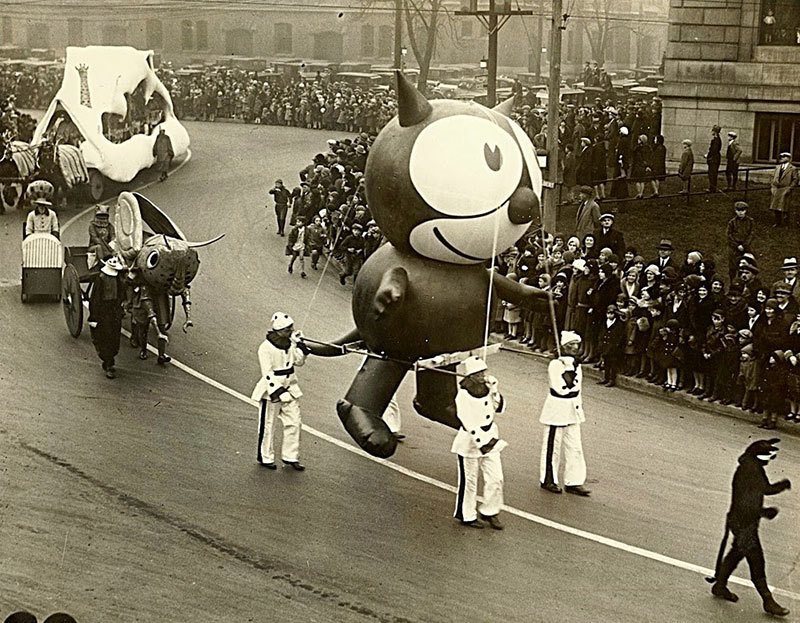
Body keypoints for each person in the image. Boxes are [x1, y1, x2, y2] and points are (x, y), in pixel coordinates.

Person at [707, 438, 791, 617]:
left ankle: (720, 586)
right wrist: (764, 511)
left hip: (742, 521)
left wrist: (781, 486)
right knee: (756, 560)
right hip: (744, 523)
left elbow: (764, 489)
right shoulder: (750, 470)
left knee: (736, 553)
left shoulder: (752, 466)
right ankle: (768, 601)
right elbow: (748, 501)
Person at [451, 355, 507, 529]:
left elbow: (500, 409)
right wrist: (481, 442)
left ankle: (490, 511)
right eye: (480, 373)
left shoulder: (487, 389)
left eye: (484, 371)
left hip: (490, 438)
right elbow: (467, 421)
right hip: (470, 442)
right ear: (471, 376)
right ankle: (467, 514)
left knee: (496, 478)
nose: (484, 375)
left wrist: (495, 391)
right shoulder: (463, 395)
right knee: (469, 481)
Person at [251, 312, 310, 471]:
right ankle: (266, 457)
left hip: (291, 387)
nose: (291, 331)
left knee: (294, 422)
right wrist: (278, 391)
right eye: (287, 329)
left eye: (291, 328)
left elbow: (298, 362)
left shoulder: (289, 344)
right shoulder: (265, 347)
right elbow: (267, 373)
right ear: (278, 330)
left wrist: (301, 346)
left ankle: (290, 456)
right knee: (268, 425)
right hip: (272, 391)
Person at [539, 331, 591, 496]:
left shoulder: (576, 364)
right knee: (553, 447)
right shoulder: (556, 364)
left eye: (576, 345)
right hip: (557, 409)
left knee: (574, 447)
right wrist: (567, 368)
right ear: (564, 347)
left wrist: (571, 366)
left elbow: (578, 389)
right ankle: (548, 479)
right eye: (571, 345)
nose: (575, 348)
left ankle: (574, 481)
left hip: (573, 409)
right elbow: (561, 389)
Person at [88, 256, 127, 378]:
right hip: (103, 311)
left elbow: (122, 293)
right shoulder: (101, 278)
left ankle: (110, 359)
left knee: (115, 336)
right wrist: (93, 316)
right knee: (106, 335)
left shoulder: (119, 277)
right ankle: (109, 363)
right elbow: (95, 298)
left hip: (115, 310)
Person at [725, 201, 754, 280]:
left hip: (746, 247)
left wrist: (744, 245)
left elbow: (751, 234)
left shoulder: (750, 221)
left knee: (746, 266)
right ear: (735, 211)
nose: (741, 212)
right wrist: (737, 245)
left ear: (746, 211)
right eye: (739, 210)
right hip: (734, 248)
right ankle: (733, 283)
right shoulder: (732, 222)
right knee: (733, 267)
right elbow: (729, 235)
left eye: (743, 210)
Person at [769, 152, 796, 228]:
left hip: (785, 188)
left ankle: (786, 223)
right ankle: (778, 222)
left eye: (784, 157)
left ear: (789, 158)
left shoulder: (792, 168)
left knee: (785, 207)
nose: (782, 158)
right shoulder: (778, 167)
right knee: (776, 206)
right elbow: (773, 177)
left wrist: (790, 188)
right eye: (781, 157)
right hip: (776, 189)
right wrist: (772, 186)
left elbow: (795, 180)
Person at [87, 203, 116, 268]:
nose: (102, 219)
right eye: (100, 217)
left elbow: (113, 236)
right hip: (94, 247)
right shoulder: (92, 226)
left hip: (108, 248)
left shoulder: (110, 226)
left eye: (104, 217)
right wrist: (109, 249)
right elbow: (95, 239)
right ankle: (102, 263)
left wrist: (113, 244)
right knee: (99, 247)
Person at [706, 125, 722, 192]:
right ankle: (712, 187)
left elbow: (714, 150)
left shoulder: (716, 140)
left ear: (714, 131)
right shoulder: (717, 139)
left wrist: (708, 156)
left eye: (712, 130)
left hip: (714, 159)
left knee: (712, 173)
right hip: (715, 158)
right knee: (713, 173)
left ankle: (712, 188)